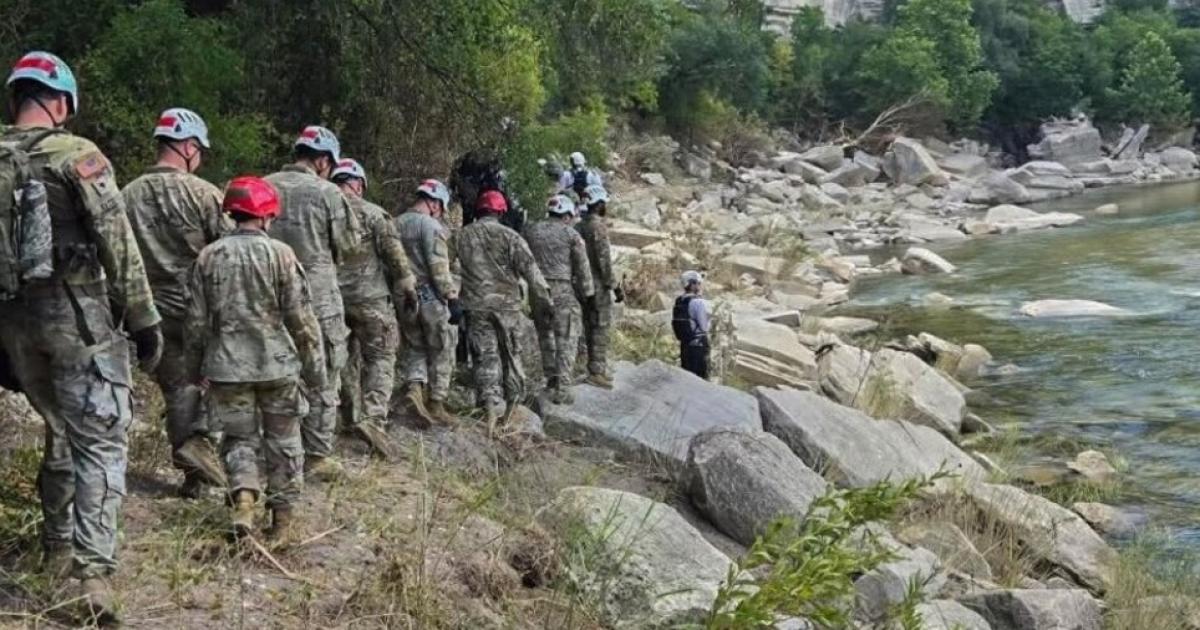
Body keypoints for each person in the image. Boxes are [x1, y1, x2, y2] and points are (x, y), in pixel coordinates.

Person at [0, 51, 163, 621]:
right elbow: (117, 244)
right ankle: (92, 577)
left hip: (13, 327)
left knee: (57, 430)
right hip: (76, 319)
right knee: (99, 438)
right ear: (61, 102)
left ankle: (53, 550)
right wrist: (143, 319)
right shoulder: (78, 156)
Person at [184, 176, 325, 540]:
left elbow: (195, 323)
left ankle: (244, 500)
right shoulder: (282, 255)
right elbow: (302, 321)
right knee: (284, 441)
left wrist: (194, 369)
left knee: (238, 439)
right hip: (277, 366)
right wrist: (316, 371)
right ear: (266, 215)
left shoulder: (208, 257)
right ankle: (281, 523)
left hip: (227, 367)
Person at [123, 107, 229, 497]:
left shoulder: (126, 194)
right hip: (197, 308)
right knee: (221, 378)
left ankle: (194, 481)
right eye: (199, 149)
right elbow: (229, 250)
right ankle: (203, 443)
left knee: (177, 387)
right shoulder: (203, 193)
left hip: (148, 312)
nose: (200, 158)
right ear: (187, 146)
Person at [265, 126, 361, 481]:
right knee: (325, 370)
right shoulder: (329, 194)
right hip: (318, 295)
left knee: (277, 369)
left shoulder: (265, 185)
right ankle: (317, 454)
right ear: (322, 160)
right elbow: (350, 246)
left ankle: (274, 447)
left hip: (269, 292)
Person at [330, 158, 414, 458]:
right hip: (371, 300)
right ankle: (374, 419)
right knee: (381, 356)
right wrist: (407, 289)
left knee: (344, 360)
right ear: (359, 185)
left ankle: (351, 417)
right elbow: (396, 259)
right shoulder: (375, 214)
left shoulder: (324, 210)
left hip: (333, 300)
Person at [456, 190, 550, 430]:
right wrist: (545, 304)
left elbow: (445, 267)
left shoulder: (462, 236)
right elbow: (533, 275)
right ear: (501, 211)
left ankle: (488, 407)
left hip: (476, 306)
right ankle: (509, 412)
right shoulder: (511, 237)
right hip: (507, 308)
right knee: (511, 356)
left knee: (484, 356)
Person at [395, 179, 460, 427]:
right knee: (443, 346)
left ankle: (414, 388)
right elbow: (439, 268)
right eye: (441, 208)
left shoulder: (395, 223)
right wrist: (451, 297)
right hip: (429, 295)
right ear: (434, 203)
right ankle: (436, 403)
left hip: (403, 296)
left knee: (414, 344)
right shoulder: (431, 226)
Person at [525, 195, 593, 404]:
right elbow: (582, 267)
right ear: (566, 215)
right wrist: (588, 294)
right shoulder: (571, 234)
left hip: (536, 290)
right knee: (568, 336)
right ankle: (563, 388)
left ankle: (551, 379)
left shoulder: (531, 230)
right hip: (562, 289)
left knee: (545, 335)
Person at [576, 185, 621, 388]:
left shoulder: (578, 226)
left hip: (581, 285)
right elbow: (605, 262)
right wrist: (615, 286)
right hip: (598, 286)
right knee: (600, 327)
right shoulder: (598, 228)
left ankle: (592, 368)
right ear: (600, 204)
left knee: (588, 326)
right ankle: (597, 371)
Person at [673, 270, 711, 379]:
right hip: (698, 344)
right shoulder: (698, 302)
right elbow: (704, 327)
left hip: (685, 344)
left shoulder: (679, 301)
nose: (699, 286)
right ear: (692, 284)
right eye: (698, 283)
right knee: (700, 378)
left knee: (687, 376)